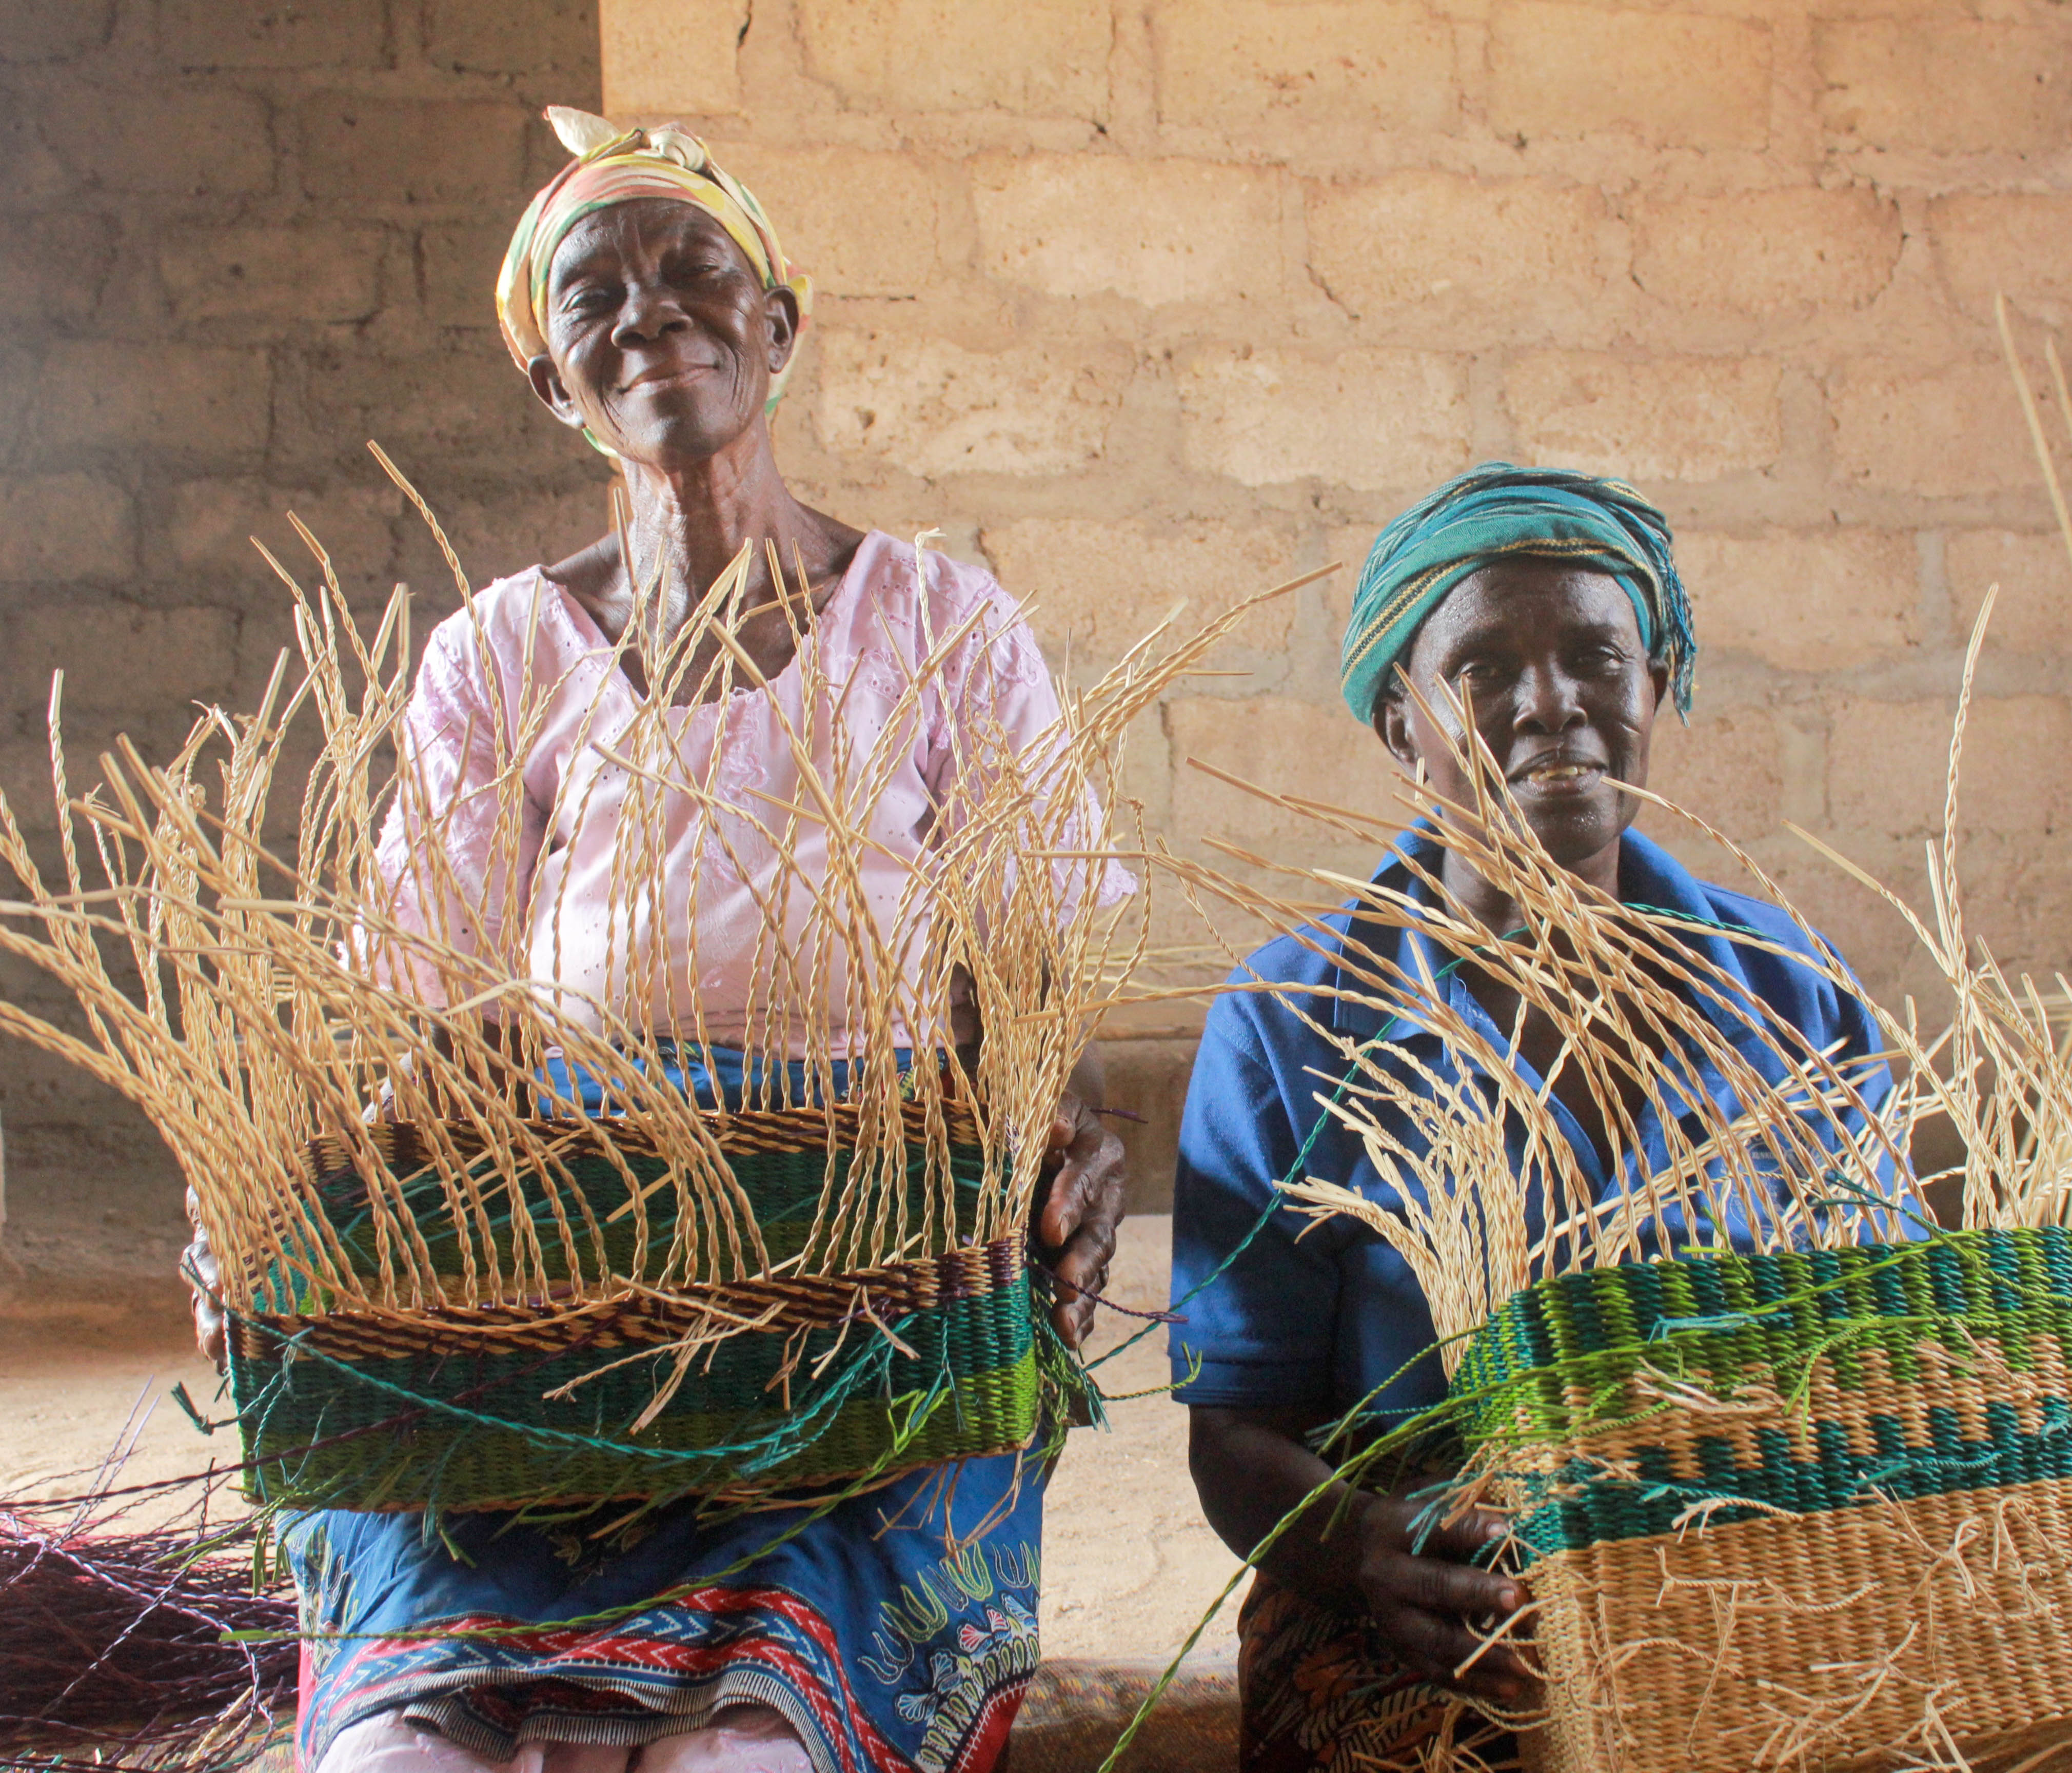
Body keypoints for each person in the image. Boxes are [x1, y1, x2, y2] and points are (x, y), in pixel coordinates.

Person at [184, 108, 1126, 1773]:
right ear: (555, 382)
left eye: (694, 268)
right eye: (594, 296)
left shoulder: (940, 624)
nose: (649, 312)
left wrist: (1070, 1146)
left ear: (781, 323)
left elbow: (1038, 993)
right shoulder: (499, 656)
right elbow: (439, 1036)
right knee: (415, 1746)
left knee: (748, 1747)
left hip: (858, 1280)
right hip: (571, 1287)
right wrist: (284, 1220)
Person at [1168, 463, 1905, 1772]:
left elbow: (1884, 1348)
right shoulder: (1293, 1022)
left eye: (1596, 657)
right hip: (1441, 1612)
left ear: (1654, 687)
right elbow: (1234, 1430)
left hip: (1748, 1584)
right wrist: (1366, 1549)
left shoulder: (1792, 991)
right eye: (1483, 668)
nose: (1551, 702)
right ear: (1401, 727)